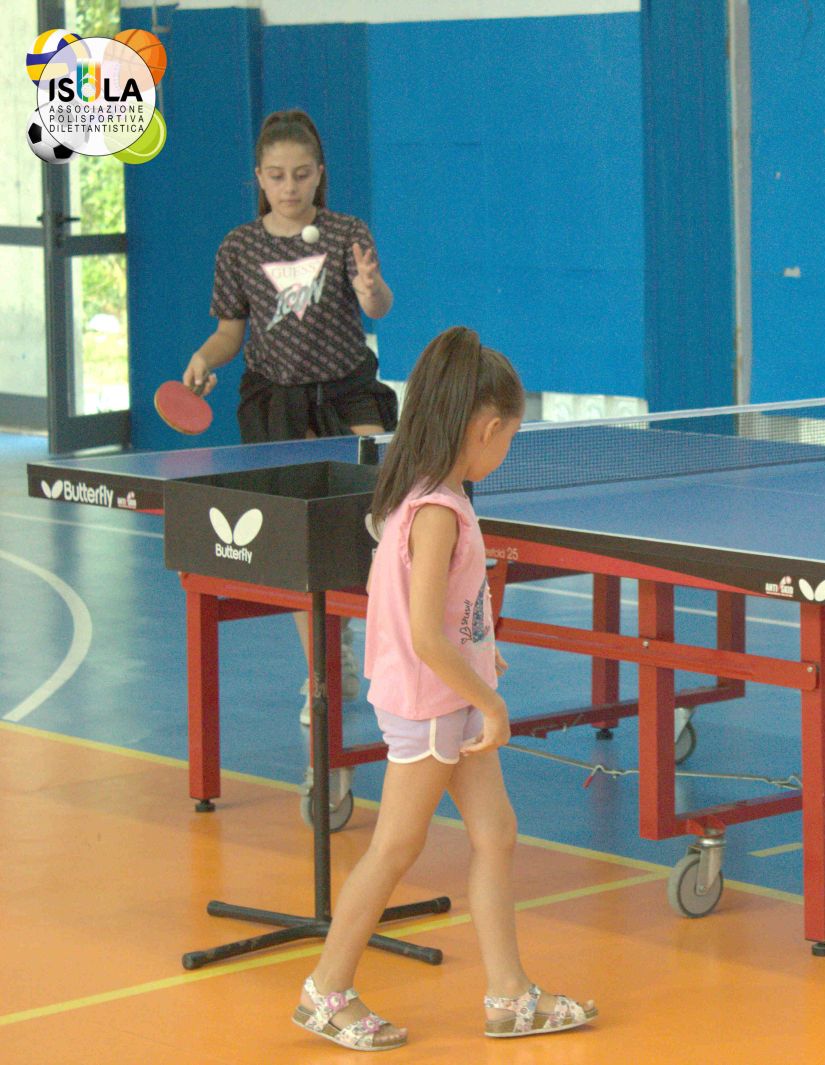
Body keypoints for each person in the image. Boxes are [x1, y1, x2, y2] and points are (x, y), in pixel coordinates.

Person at [292, 327, 597, 1049]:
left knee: (496, 833)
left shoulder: (433, 493)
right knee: (396, 845)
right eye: (509, 437)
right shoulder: (436, 510)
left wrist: (484, 658)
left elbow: (448, 618)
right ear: (486, 428)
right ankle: (325, 991)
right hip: (433, 705)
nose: (506, 450)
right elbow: (426, 635)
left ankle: (509, 995)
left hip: (450, 696)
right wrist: (489, 700)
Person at [182, 108, 398, 726]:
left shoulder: (346, 231)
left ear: (319, 173)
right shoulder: (239, 246)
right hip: (275, 399)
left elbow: (379, 306)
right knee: (299, 539)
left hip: (348, 390)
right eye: (277, 175)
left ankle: (378, 634)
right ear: (259, 177)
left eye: (302, 174)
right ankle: (323, 671)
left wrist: (369, 288)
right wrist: (203, 358)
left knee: (382, 504)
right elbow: (230, 333)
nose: (290, 186)